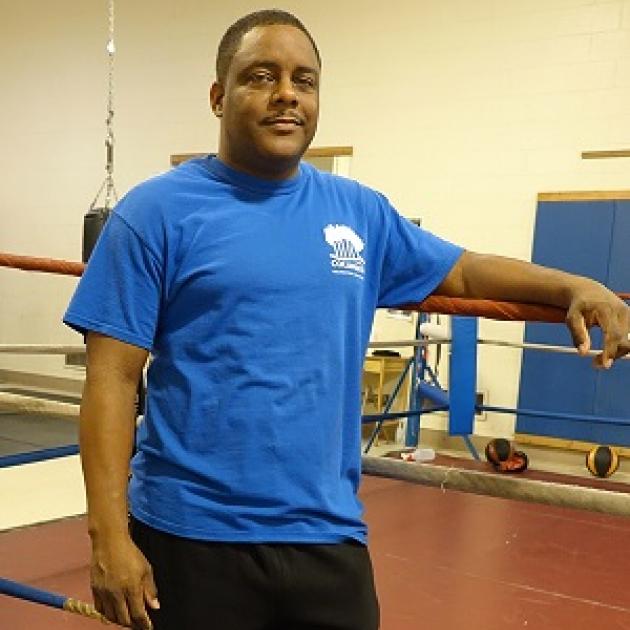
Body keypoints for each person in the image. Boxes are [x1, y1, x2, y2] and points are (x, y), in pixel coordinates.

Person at [64, 9, 630, 630]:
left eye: (304, 81)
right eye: (262, 76)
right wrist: (107, 538)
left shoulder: (358, 211)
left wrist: (575, 283)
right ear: (219, 96)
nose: (287, 94)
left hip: (328, 536)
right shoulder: (155, 213)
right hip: (191, 535)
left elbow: (464, 272)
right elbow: (112, 382)